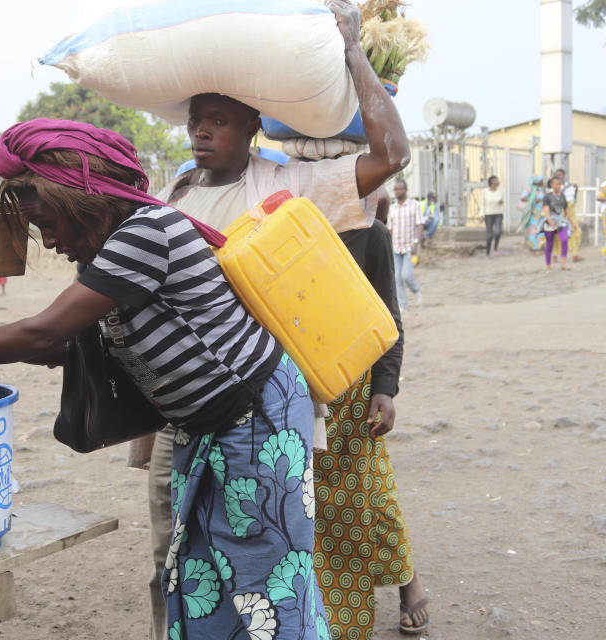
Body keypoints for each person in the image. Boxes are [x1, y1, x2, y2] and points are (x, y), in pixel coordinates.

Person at [0, 118, 333, 638]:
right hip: (207, 427)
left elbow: (43, 332)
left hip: (253, 419)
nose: (47, 240)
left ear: (80, 198)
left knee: (266, 577)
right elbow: (67, 348)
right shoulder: (114, 250)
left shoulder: (148, 234)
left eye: (46, 220)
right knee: (201, 570)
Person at [142, 1, 427, 636]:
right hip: (181, 413)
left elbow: (393, 152)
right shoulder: (175, 195)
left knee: (267, 560)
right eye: (197, 122)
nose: (202, 132)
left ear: (252, 127)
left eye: (219, 121)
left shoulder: (289, 188)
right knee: (175, 551)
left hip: (262, 412)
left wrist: (353, 49)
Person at [313, 215, 429, 637]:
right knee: (311, 504)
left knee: (363, 491)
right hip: (288, 385)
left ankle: (390, 588)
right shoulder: (272, 218)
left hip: (352, 388)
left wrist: (385, 386)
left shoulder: (369, 233)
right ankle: (323, 607)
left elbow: (387, 319)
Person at [388, 180, 424, 310]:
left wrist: (416, 242)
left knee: (406, 275)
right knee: (397, 278)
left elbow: (420, 225)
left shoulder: (414, 205)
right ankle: (402, 305)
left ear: (406, 190)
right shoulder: (392, 208)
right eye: (395, 190)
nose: (397, 192)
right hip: (396, 247)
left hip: (411, 248)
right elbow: (390, 229)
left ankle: (416, 291)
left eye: (400, 189)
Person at [542, 176, 571, 272]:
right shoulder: (548, 197)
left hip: (561, 221)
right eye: (556, 184)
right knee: (549, 244)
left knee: (564, 239)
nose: (558, 186)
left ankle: (563, 263)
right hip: (550, 222)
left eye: (560, 184)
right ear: (552, 184)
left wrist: (570, 221)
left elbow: (566, 209)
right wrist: (550, 221)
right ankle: (548, 265)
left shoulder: (562, 196)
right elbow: (546, 210)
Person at [554, 168, 583, 262]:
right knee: (556, 234)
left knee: (575, 231)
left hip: (570, 210)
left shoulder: (570, 186)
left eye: (561, 174)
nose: (559, 176)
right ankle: (555, 255)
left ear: (564, 175)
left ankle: (575, 254)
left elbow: (573, 198)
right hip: (558, 212)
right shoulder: (553, 186)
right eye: (557, 174)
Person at [518, 176, 545, 253]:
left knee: (541, 229)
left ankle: (539, 245)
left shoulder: (540, 189)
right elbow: (522, 197)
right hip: (533, 213)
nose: (542, 182)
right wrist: (532, 199)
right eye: (541, 180)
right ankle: (534, 248)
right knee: (533, 230)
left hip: (541, 213)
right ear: (537, 181)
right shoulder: (530, 189)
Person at [482, 175, 504, 256]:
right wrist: (481, 214)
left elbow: (502, 201)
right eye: (496, 180)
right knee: (490, 234)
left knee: (498, 232)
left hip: (498, 213)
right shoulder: (485, 192)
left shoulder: (500, 191)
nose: (497, 181)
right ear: (492, 181)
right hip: (488, 214)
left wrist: (501, 202)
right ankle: (487, 251)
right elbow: (483, 204)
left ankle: (495, 247)